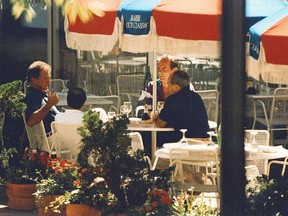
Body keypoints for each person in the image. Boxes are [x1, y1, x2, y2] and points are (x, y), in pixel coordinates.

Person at [154, 70, 210, 141]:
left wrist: (156, 117)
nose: (167, 88)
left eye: (169, 84)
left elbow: (160, 124)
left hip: (185, 142)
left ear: (176, 87)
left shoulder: (173, 99)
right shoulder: (196, 97)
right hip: (204, 141)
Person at [23, 61, 60, 137]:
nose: (49, 81)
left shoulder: (42, 95)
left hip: (57, 138)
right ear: (33, 80)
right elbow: (30, 121)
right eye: (45, 78)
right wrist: (50, 104)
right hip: (50, 143)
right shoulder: (31, 97)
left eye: (49, 78)